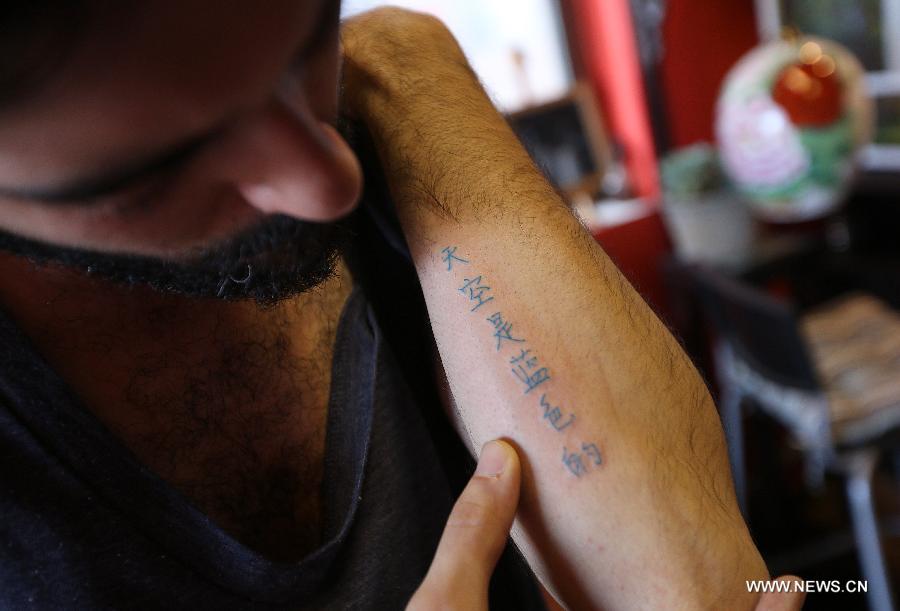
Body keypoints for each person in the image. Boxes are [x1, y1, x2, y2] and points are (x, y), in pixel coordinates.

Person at [0, 2, 804, 609]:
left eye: (311, 37)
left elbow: (700, 589)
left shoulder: (386, 127)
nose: (329, 184)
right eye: (153, 177)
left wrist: (408, 64)